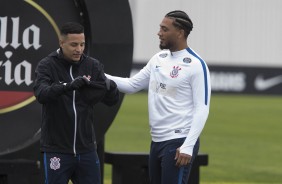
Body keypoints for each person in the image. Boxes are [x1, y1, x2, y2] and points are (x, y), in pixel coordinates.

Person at [106, 10, 211, 184]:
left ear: (180, 32)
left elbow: (202, 108)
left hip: (179, 141)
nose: (159, 33)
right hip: (157, 140)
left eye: (164, 29)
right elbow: (131, 85)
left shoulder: (195, 65)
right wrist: (97, 74)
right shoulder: (158, 59)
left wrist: (188, 145)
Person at [33, 22, 119, 184]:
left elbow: (111, 101)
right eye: (73, 45)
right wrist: (67, 86)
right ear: (61, 43)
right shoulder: (47, 65)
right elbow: (41, 94)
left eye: (82, 44)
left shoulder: (92, 65)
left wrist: (111, 88)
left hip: (86, 150)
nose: (79, 49)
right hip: (56, 150)